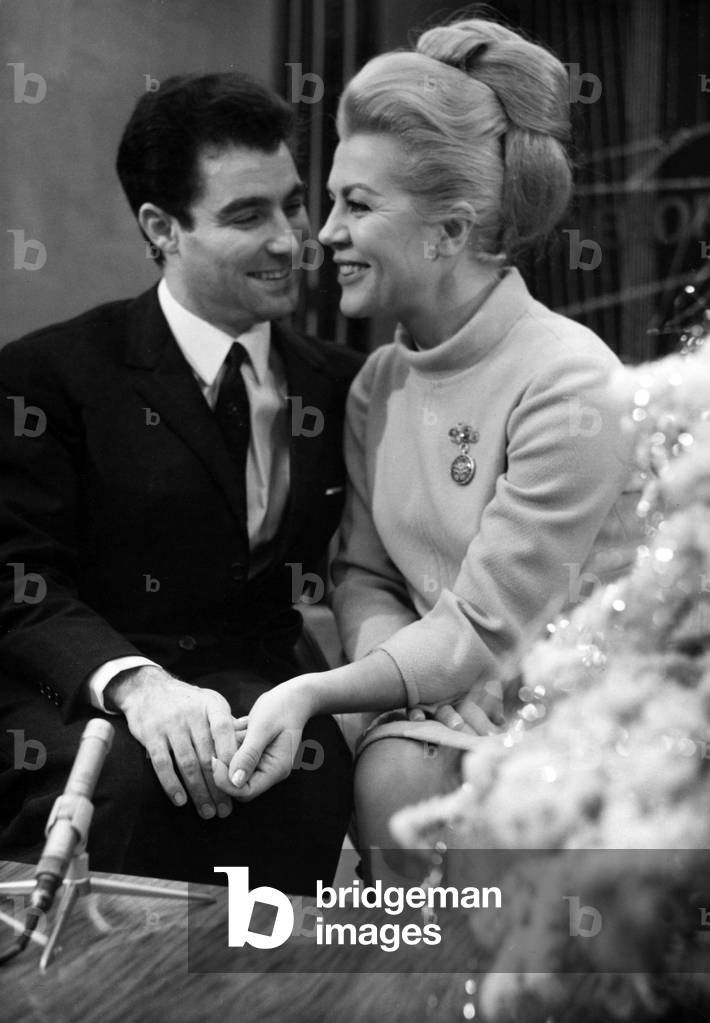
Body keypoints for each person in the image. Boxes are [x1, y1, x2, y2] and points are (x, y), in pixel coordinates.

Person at [211, 20, 641, 870]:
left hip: (590, 723)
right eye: (331, 199)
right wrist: (415, 684)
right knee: (397, 770)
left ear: (449, 230)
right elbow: (365, 577)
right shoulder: (378, 384)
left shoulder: (569, 381)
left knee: (416, 783)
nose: (322, 233)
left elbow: (487, 626)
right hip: (444, 706)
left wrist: (318, 690)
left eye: (356, 205)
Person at [0, 72, 362, 893]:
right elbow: (21, 585)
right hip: (78, 697)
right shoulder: (48, 378)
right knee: (133, 783)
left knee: (306, 777)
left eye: (293, 203)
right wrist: (138, 686)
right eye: (247, 215)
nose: (291, 239)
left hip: (263, 691)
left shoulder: (342, 385)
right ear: (161, 228)